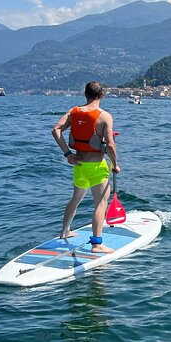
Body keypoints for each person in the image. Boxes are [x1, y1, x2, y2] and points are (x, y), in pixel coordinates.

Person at [51, 81, 120, 253]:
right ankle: (97, 244)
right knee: (100, 203)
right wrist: (115, 165)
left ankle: (65, 231)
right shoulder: (105, 116)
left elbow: (56, 130)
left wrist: (68, 154)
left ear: (85, 94)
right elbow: (110, 146)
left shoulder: (73, 112)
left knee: (75, 199)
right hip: (96, 166)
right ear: (102, 95)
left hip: (79, 165)